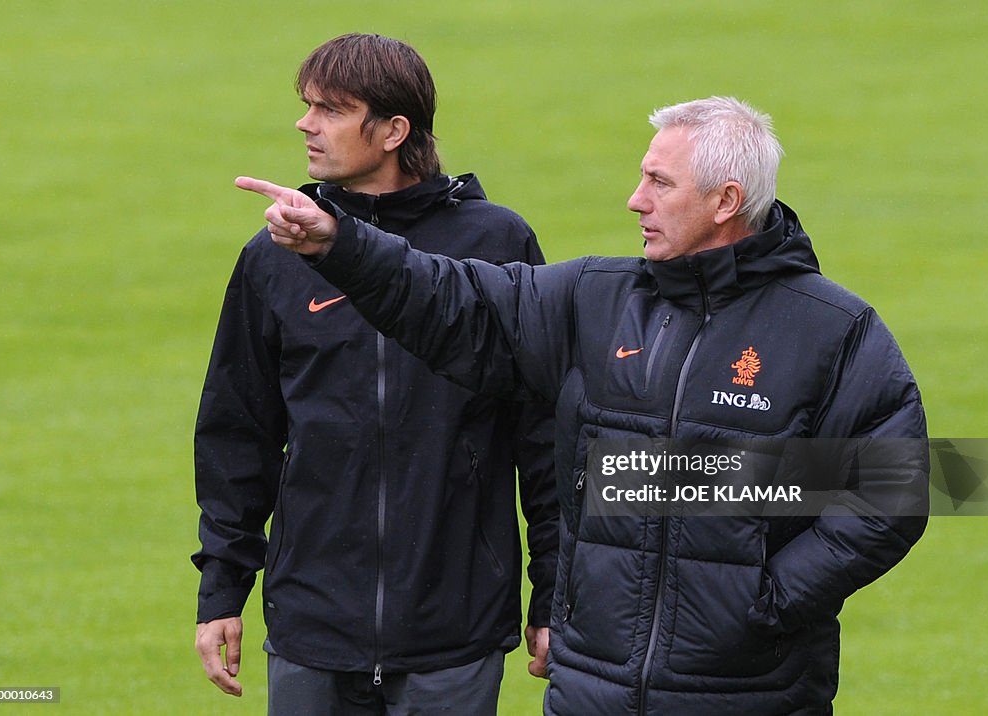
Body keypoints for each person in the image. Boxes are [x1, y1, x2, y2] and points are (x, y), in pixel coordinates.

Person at [236, 95, 930, 715]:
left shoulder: (831, 330)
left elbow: (892, 487)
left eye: (659, 182)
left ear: (725, 201)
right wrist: (343, 244)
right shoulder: (593, 301)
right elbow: (456, 301)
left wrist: (764, 598)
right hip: (591, 688)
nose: (635, 199)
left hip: (751, 693)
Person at [192, 33, 559, 715]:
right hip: (310, 625)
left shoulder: (499, 247)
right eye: (307, 106)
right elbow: (237, 431)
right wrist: (221, 588)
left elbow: (545, 435)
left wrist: (554, 592)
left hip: (455, 626)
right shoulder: (276, 256)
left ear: (394, 130)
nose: (306, 124)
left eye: (330, 109)